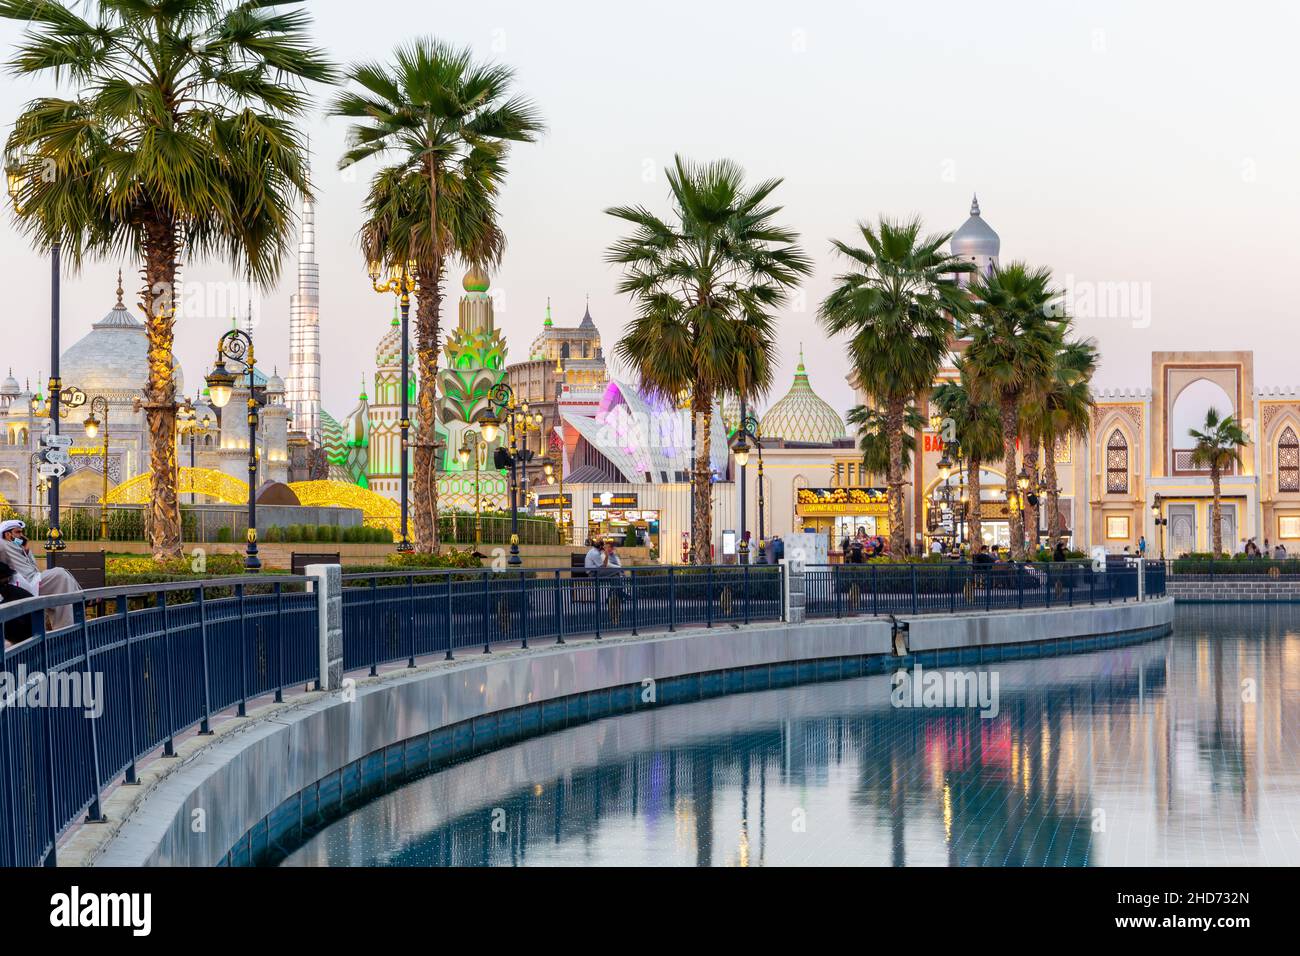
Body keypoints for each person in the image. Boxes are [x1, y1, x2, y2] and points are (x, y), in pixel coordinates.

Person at [0, 519, 80, 632]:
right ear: (7, 534)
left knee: (62, 576)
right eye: (18, 532)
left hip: (34, 581)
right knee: (60, 573)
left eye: (22, 532)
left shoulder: (20, 547)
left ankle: (67, 625)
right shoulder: (2, 544)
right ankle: (66, 627)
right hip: (23, 584)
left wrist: (26, 550)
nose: (21, 535)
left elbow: (34, 568)